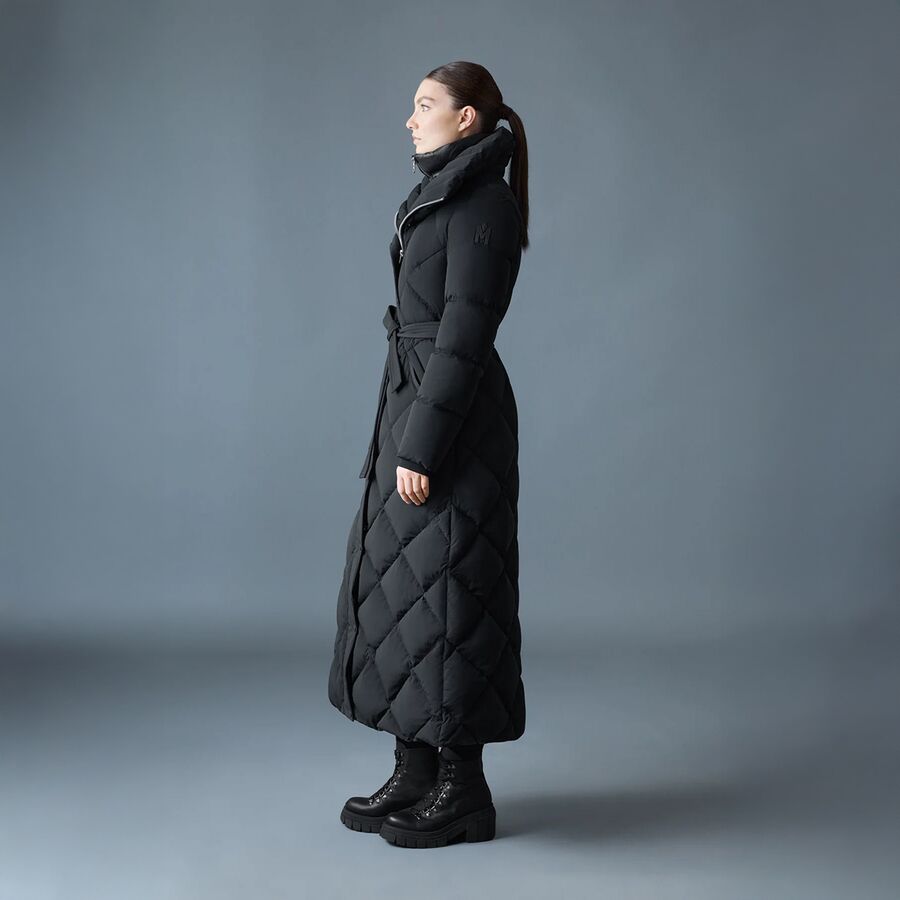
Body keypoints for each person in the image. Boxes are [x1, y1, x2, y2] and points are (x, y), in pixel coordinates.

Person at [327, 60, 530, 849]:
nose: (411, 120)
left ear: (467, 118)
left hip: (455, 421)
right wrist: (403, 432)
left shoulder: (485, 206)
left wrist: (422, 445)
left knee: (453, 601)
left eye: (424, 105)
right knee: (401, 595)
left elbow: (466, 334)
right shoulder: (442, 198)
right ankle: (413, 770)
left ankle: (462, 790)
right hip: (412, 404)